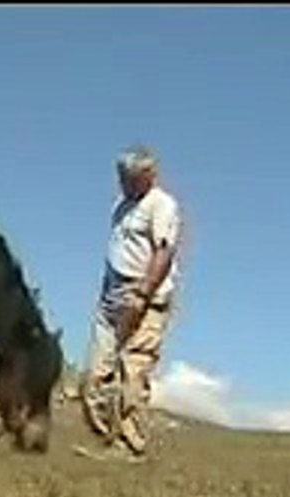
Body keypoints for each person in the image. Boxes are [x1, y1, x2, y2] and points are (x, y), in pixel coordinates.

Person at [77, 145, 184, 462]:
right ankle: (107, 439)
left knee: (133, 370)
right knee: (94, 377)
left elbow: (164, 252)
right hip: (111, 298)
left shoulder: (161, 205)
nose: (123, 184)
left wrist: (143, 293)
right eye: (121, 178)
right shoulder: (121, 207)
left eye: (130, 178)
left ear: (149, 175)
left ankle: (130, 445)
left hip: (145, 297)